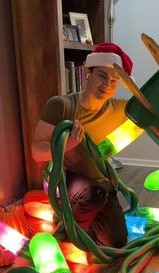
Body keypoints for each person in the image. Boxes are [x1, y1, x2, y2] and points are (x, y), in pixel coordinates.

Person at [31, 42, 133, 248]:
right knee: (92, 194)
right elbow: (36, 151)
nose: (107, 85)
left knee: (117, 241)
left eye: (114, 81)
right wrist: (67, 145)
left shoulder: (120, 109)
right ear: (88, 73)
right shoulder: (61, 106)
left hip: (103, 183)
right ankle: (67, 227)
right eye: (103, 76)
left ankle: (86, 220)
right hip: (69, 180)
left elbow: (152, 105)